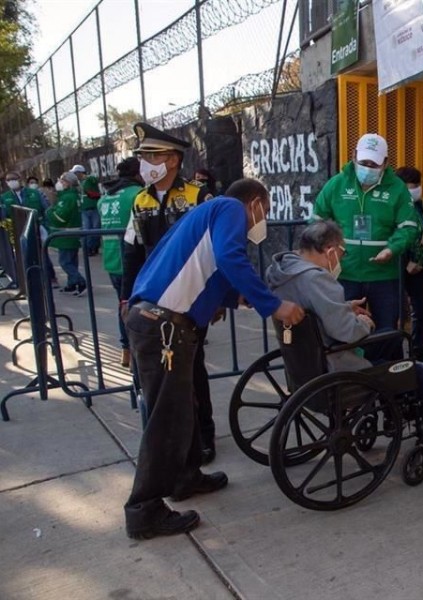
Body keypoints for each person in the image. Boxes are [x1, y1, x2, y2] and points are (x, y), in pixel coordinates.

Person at [123, 178, 305, 540]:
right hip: (164, 327)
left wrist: (233, 299)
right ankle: (144, 510)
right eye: (265, 212)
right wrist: (275, 305)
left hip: (162, 323)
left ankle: (184, 477)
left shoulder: (206, 214)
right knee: (166, 419)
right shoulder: (230, 208)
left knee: (184, 407)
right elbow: (229, 257)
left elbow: (211, 270)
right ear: (254, 202)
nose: (262, 220)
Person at [265, 220, 423, 439]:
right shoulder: (318, 280)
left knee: (391, 340)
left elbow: (311, 308)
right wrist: (364, 323)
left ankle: (401, 404)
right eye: (342, 252)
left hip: (305, 361)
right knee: (411, 367)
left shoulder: (282, 270)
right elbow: (347, 332)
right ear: (331, 250)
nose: (342, 258)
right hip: (335, 363)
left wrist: (344, 307)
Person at [121, 122, 217, 464]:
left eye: (153, 154)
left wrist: (216, 297)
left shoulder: (197, 197)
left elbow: (214, 249)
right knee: (166, 373)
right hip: (153, 299)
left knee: (192, 368)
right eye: (143, 155)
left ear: (173, 159)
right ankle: (180, 443)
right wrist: (126, 296)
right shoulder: (140, 201)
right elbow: (132, 252)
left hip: (190, 296)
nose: (146, 162)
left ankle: (204, 437)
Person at [311, 133, 420, 355]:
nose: (368, 168)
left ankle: (388, 380)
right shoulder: (337, 184)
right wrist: (327, 249)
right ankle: (350, 381)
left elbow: (409, 225)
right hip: (345, 272)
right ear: (354, 157)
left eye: (374, 164)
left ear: (386, 163)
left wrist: (393, 248)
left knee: (387, 332)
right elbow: (317, 220)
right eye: (364, 163)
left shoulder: (397, 188)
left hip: (384, 275)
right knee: (342, 332)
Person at [98, 157, 142, 368]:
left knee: (122, 305)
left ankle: (126, 350)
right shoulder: (137, 195)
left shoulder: (106, 198)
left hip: (112, 259)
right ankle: (136, 353)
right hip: (133, 260)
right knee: (137, 309)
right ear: (137, 174)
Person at [395, 166, 423, 367]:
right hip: (395, 262)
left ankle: (417, 352)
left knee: (419, 309)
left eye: (417, 185)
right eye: (410, 186)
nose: (415, 190)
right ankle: (392, 354)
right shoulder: (391, 205)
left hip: (417, 264)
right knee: (393, 310)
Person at [46, 172, 87, 296]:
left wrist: (50, 210)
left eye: (62, 181)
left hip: (66, 235)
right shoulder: (72, 196)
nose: (60, 184)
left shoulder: (68, 197)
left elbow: (60, 217)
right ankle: (71, 284)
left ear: (68, 183)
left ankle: (80, 281)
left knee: (65, 262)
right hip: (72, 234)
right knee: (72, 260)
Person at [71, 164, 101, 256]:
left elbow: (95, 180)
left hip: (94, 207)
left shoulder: (89, 180)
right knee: (87, 229)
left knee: (95, 228)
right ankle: (88, 249)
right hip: (84, 209)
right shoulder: (77, 183)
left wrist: (87, 176)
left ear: (80, 173)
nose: (75, 176)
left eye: (76, 173)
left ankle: (94, 247)